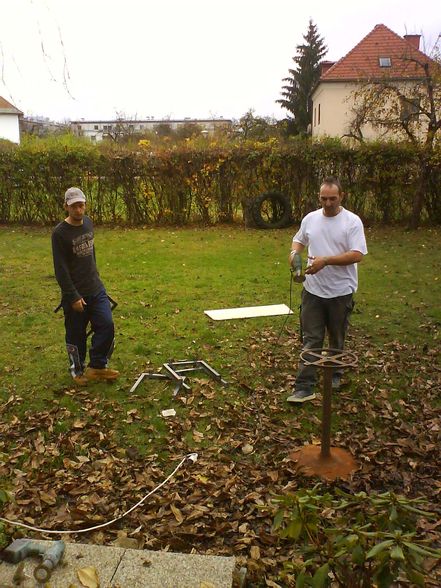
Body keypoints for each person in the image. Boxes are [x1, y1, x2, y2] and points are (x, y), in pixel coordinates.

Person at [287, 176, 367, 403]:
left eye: (333, 198)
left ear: (341, 196)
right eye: (324, 198)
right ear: (319, 197)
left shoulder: (352, 222)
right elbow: (298, 240)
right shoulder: (310, 219)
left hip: (340, 292)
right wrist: (294, 254)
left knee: (336, 336)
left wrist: (327, 261)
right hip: (312, 291)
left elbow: (357, 254)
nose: (328, 203)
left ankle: (334, 373)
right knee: (311, 339)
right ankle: (304, 387)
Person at [52, 187, 119, 385]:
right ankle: (77, 370)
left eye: (81, 205)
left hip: (95, 288)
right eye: (74, 206)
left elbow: (91, 255)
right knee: (76, 333)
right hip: (75, 292)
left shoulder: (88, 223)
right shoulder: (59, 233)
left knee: (106, 325)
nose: (79, 210)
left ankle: (97, 366)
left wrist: (96, 277)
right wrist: (72, 296)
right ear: (66, 206)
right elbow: (60, 269)